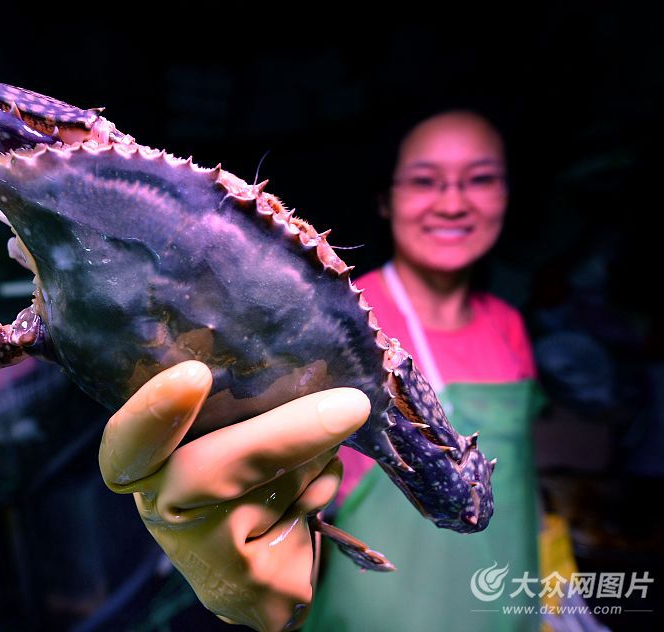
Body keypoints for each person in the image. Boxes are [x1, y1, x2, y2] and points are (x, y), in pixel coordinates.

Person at [99, 110, 541, 631]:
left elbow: (522, 476)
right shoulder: (321, 321)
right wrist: (239, 543)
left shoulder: (509, 323)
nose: (452, 202)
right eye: (425, 180)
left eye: (480, 179)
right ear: (385, 199)